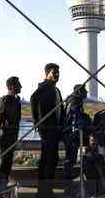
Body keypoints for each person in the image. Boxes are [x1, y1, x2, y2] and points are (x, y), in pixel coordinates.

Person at [30, 63, 65, 198]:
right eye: (54, 73)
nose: (57, 75)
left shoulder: (56, 90)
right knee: (49, 160)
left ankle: (45, 190)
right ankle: (44, 191)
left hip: (55, 130)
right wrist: (37, 122)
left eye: (58, 73)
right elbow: (33, 99)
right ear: (47, 74)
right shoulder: (44, 88)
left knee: (50, 159)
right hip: (48, 130)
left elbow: (60, 110)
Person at [0, 76, 22, 183]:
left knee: (8, 162)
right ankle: (2, 183)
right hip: (4, 138)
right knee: (6, 161)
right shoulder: (5, 101)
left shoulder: (16, 101)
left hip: (12, 137)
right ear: (12, 87)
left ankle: (4, 182)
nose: (21, 86)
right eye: (18, 84)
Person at [63, 84, 92, 196]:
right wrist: (86, 120)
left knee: (70, 158)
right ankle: (68, 184)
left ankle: (68, 184)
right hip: (71, 134)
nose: (86, 93)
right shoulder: (75, 101)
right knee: (70, 158)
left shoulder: (71, 99)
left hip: (69, 133)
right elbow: (76, 116)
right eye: (84, 91)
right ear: (80, 92)